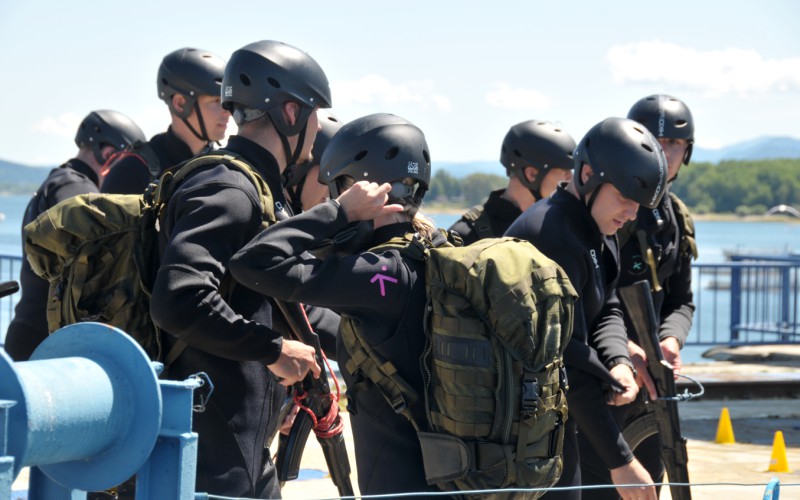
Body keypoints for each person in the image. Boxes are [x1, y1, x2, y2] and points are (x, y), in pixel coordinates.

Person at [148, 40, 332, 498]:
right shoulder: (232, 191)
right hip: (213, 455)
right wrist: (272, 350)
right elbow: (178, 298)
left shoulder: (257, 188)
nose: (316, 130)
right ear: (290, 114)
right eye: (314, 114)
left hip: (235, 446)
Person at [228, 113, 442, 498]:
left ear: (364, 190)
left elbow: (251, 263)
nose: (331, 199)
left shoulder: (377, 276)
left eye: (337, 190)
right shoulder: (433, 253)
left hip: (398, 487)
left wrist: (340, 213)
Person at [505, 117, 667, 500]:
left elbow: (607, 305)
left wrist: (618, 360)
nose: (631, 213)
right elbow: (564, 365)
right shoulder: (551, 234)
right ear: (589, 174)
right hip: (520, 429)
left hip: (553, 420)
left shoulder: (593, 227)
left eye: (638, 205)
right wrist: (622, 461)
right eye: (626, 198)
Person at [579, 95, 698, 498]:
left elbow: (682, 299)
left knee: (649, 488)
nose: (665, 153)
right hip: (601, 381)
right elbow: (586, 302)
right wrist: (621, 350)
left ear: (687, 152)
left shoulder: (676, 219)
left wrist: (670, 339)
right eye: (655, 142)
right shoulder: (601, 210)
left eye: (675, 145)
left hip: (654, 387)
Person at [5, 110, 146, 361]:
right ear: (108, 153)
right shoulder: (77, 188)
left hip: (27, 330)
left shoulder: (56, 180)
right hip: (47, 340)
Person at [100, 47, 229, 195]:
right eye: (216, 100)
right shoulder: (130, 173)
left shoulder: (225, 167)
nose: (227, 111)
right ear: (180, 103)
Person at [449, 119, 575, 243]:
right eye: (565, 172)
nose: (571, 179)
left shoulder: (559, 227)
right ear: (532, 174)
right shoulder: (462, 238)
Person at [283, 110, 343, 213]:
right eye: (327, 176)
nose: (331, 192)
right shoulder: (262, 217)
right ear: (296, 170)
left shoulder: (286, 219)